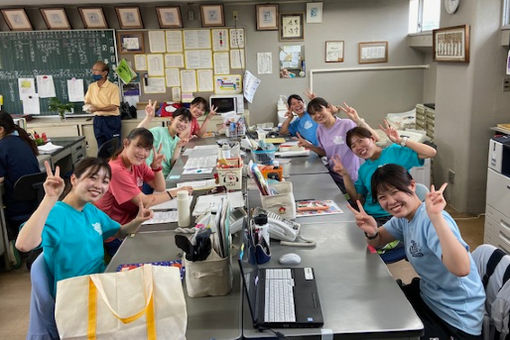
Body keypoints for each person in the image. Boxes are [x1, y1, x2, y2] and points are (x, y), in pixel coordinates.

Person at [15, 158, 153, 337]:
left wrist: (137, 221)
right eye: (93, 178)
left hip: (100, 286)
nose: (98, 185)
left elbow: (119, 232)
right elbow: (23, 244)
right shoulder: (56, 214)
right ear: (74, 180)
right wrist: (49, 199)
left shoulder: (90, 210)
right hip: (77, 301)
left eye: (105, 181)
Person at [348, 164, 485, 340]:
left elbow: (462, 269)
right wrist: (372, 231)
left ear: (412, 185)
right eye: (383, 197)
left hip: (456, 318)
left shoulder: (431, 219)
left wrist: (436, 217)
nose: (390, 201)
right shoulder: (404, 218)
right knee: (373, 309)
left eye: (395, 191)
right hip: (429, 298)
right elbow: (379, 240)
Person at [94, 128, 192, 255]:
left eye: (147, 149)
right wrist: (176, 192)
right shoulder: (116, 169)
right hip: (117, 233)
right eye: (138, 146)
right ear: (126, 143)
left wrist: (157, 168)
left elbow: (160, 187)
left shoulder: (137, 162)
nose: (143, 153)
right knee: (162, 252)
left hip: (134, 220)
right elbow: (144, 201)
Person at [333, 121, 437, 225]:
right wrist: (344, 174)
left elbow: (430, 152)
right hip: (370, 215)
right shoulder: (363, 169)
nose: (358, 147)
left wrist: (400, 140)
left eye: (360, 141)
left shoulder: (393, 152)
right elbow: (356, 198)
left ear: (372, 139)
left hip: (393, 214)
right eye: (353, 146)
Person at [298, 97, 378, 191]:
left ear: (328, 107)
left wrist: (357, 120)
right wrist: (309, 146)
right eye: (313, 114)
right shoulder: (320, 130)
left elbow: (374, 138)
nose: (317, 115)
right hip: (335, 177)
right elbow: (325, 152)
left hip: (353, 177)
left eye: (319, 110)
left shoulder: (347, 124)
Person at [0, 111, 40, 240]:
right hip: (34, 204)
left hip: (18, 207)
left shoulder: (2, 146)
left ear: (1, 130)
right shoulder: (22, 141)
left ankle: (10, 255)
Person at [137, 100, 192, 178]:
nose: (182, 124)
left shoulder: (177, 140)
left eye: (186, 122)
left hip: (166, 177)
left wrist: (178, 147)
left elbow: (173, 165)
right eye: (180, 120)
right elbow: (137, 135)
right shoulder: (159, 132)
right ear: (172, 119)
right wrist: (148, 117)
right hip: (151, 176)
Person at [84, 61, 121, 149]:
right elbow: (87, 102)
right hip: (98, 120)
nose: (93, 72)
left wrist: (97, 108)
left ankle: (113, 163)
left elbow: (114, 106)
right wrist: (88, 107)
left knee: (113, 147)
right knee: (101, 147)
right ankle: (102, 163)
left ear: (104, 73)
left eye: (96, 70)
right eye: (93, 70)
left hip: (111, 120)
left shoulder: (113, 87)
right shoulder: (91, 87)